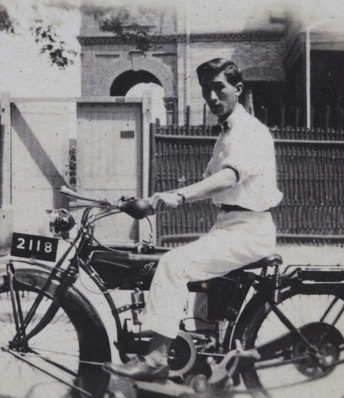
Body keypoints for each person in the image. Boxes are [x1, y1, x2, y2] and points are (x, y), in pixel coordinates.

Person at [103, 58, 283, 382]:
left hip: (248, 230)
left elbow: (228, 178)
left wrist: (179, 195)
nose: (212, 97)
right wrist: (157, 201)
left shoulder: (249, 131)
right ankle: (208, 369)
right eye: (205, 90)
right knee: (198, 294)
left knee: (173, 265)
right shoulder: (225, 135)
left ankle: (157, 357)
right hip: (229, 226)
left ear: (238, 90)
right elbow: (208, 184)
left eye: (219, 88)